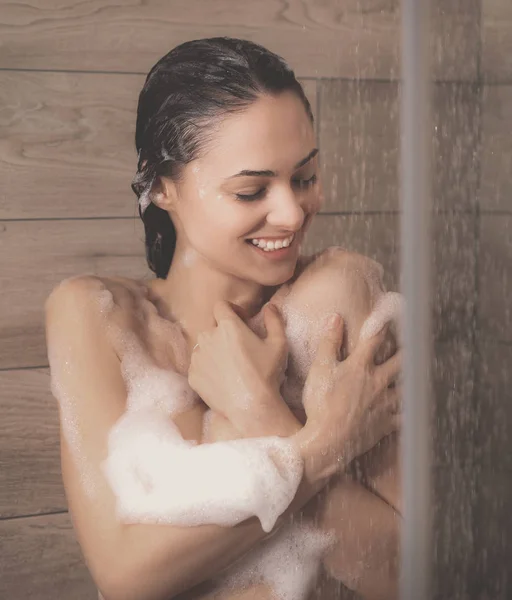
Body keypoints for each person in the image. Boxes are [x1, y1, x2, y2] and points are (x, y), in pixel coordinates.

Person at [44, 37, 402, 600]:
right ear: (161, 185)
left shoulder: (335, 300)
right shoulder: (101, 317)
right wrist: (321, 447)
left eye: (304, 178)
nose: (291, 212)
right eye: (251, 190)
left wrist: (260, 412)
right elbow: (126, 577)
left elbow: (413, 575)